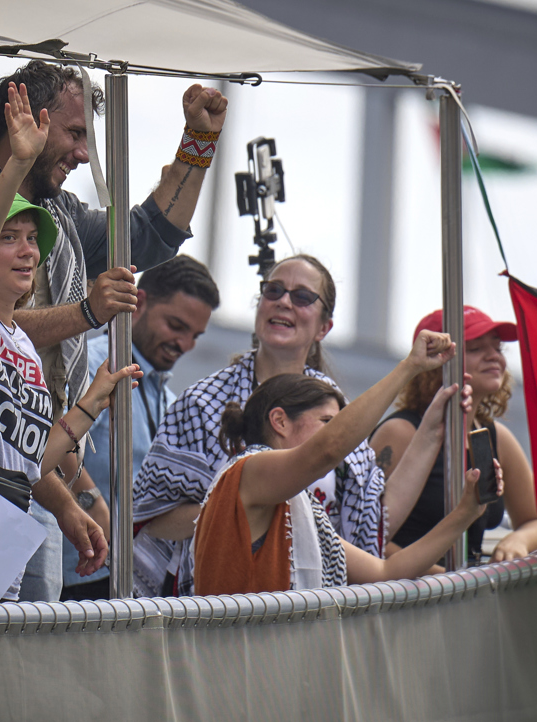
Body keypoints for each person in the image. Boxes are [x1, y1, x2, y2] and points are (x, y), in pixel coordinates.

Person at [0, 60, 227, 601]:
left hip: (40, 477)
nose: (84, 154)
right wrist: (85, 312)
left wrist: (198, 142)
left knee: (29, 643)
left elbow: (148, 236)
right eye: (75, 133)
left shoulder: (61, 213)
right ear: (25, 120)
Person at [0, 82, 141, 596]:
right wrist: (19, 163)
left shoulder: (22, 347)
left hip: (7, 533)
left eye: (33, 239)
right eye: (9, 238)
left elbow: (32, 461)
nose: (27, 252)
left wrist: (92, 402)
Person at [131, 254, 388, 597]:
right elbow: (150, 517)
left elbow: (368, 523)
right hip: (217, 601)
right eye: (274, 290)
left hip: (318, 605)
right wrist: (247, 514)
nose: (284, 302)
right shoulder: (200, 402)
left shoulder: (340, 414)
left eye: (302, 296)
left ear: (324, 328)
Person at [189, 332, 498, 596]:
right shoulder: (249, 471)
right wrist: (409, 367)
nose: (339, 435)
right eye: (327, 422)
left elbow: (386, 572)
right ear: (280, 421)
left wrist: (466, 512)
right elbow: (329, 449)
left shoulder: (299, 507)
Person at [63, 255, 221, 600]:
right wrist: (94, 505)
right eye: (176, 326)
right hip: (78, 575)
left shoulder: (169, 399)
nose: (185, 344)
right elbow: (53, 444)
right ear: (140, 302)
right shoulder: (91, 365)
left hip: (130, 582)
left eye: (195, 335)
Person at [370, 307, 537, 564]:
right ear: (434, 365)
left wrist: (517, 540)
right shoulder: (399, 432)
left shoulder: (496, 437)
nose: (494, 356)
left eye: (498, 347)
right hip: (408, 587)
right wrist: (439, 578)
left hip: (467, 586)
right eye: (475, 349)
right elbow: (363, 535)